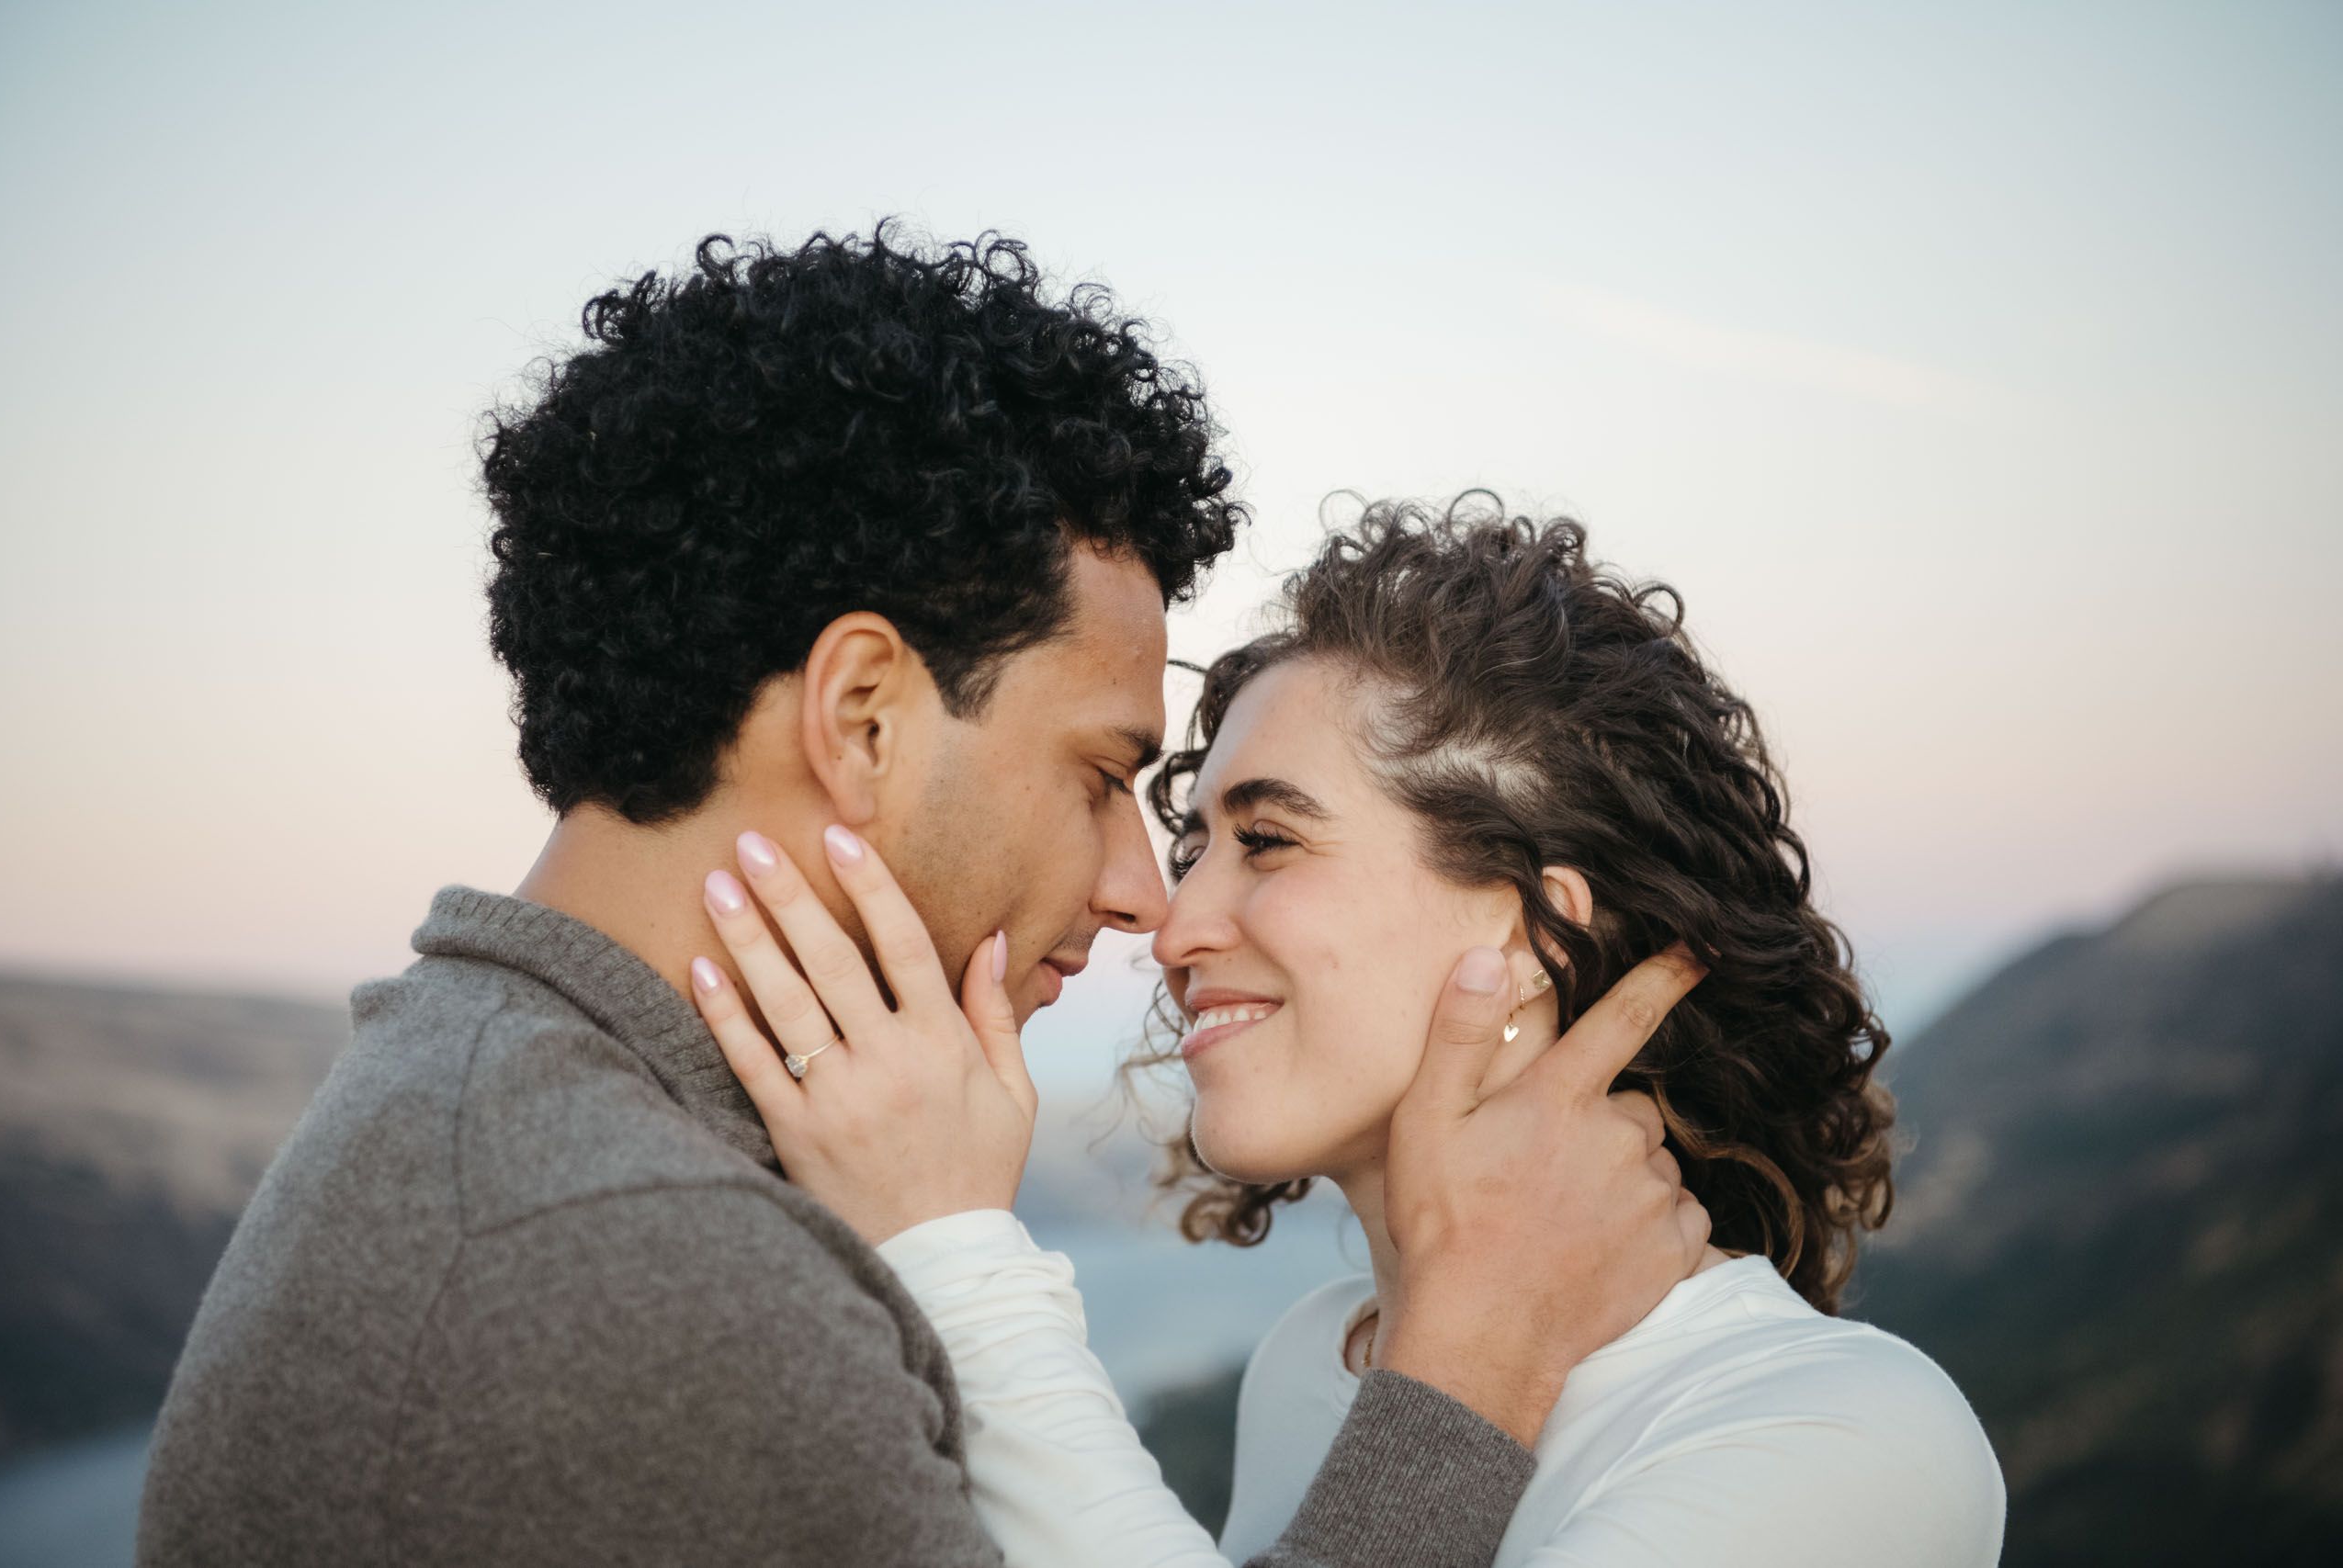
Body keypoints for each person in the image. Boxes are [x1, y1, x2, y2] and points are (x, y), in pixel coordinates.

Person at [137, 232, 1705, 1567]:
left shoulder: (490, 1086)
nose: (1140, 896)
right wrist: (1468, 1376)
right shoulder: (664, 1275)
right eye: (1103, 777)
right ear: (864, 717)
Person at [692, 500, 2009, 1566]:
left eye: (1266, 841)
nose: (1173, 922)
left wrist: (957, 1255)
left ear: (1535, 938)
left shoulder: (1840, 1438)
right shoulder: (1313, 1368)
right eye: (1193, 843)